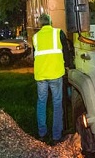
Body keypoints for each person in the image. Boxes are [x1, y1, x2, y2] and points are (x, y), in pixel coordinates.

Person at [33, 13, 73, 144]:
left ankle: (42, 134)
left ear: (39, 24)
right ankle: (56, 136)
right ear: (51, 22)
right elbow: (66, 52)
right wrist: (69, 66)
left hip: (41, 75)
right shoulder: (58, 33)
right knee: (57, 104)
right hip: (55, 74)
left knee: (41, 102)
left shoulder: (35, 37)